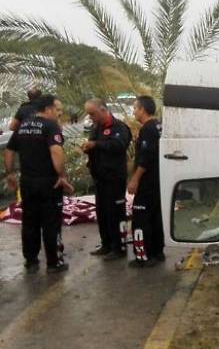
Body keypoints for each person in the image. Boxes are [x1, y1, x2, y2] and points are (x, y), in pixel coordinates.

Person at [4, 94, 73, 274]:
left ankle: (31, 260)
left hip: (27, 182)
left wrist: (10, 173)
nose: (58, 114)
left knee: (30, 221)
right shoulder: (51, 126)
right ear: (48, 109)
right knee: (51, 222)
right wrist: (62, 175)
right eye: (57, 110)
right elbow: (56, 151)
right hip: (49, 182)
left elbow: (9, 150)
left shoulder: (24, 125)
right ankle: (54, 262)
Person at [81, 99, 132, 260]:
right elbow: (94, 146)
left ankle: (119, 247)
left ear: (103, 110)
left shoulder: (119, 127)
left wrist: (96, 145)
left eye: (92, 113)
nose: (90, 117)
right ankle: (106, 244)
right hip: (100, 179)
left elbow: (119, 145)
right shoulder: (96, 128)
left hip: (114, 179)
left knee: (115, 213)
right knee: (102, 213)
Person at [127, 96, 164, 267]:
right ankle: (158, 252)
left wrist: (135, 179)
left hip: (147, 181)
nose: (133, 111)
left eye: (135, 108)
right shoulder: (158, 126)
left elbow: (145, 158)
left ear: (142, 109)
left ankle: (144, 255)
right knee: (156, 216)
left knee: (141, 218)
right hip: (158, 180)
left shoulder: (148, 129)